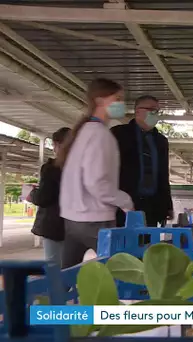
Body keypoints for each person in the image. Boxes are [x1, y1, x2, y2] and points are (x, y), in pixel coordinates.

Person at [56, 78, 134, 269]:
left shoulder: (83, 132)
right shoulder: (100, 135)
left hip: (72, 219)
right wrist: (125, 201)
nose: (121, 104)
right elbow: (96, 182)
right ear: (100, 101)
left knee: (65, 278)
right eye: (117, 98)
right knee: (122, 272)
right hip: (95, 219)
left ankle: (55, 299)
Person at [111, 95, 173, 227]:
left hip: (151, 204)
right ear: (137, 111)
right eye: (151, 110)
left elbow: (163, 174)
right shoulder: (119, 134)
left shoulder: (161, 141)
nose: (155, 114)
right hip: (123, 203)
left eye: (157, 111)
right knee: (122, 243)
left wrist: (167, 205)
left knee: (146, 243)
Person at [28, 127, 71, 266]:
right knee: (70, 268)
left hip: (53, 226)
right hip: (74, 225)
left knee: (54, 268)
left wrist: (31, 194)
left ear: (57, 145)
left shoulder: (51, 168)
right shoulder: (80, 167)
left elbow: (44, 198)